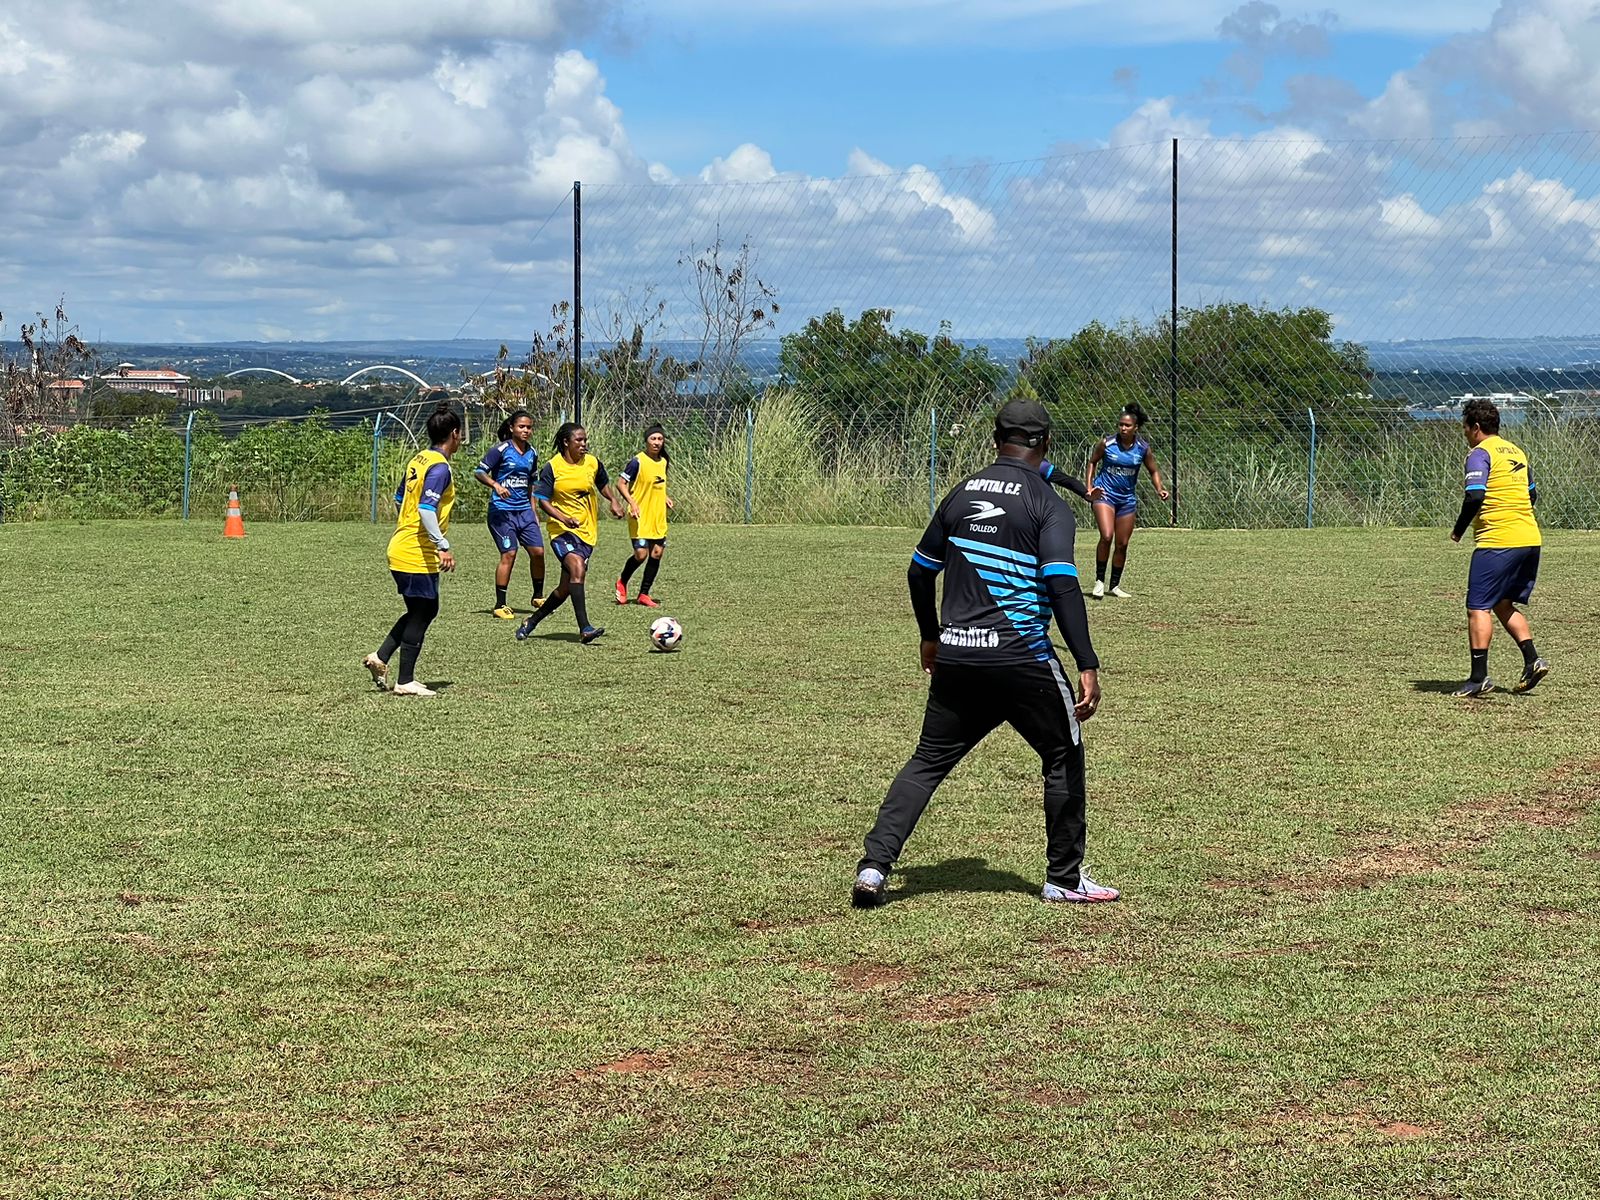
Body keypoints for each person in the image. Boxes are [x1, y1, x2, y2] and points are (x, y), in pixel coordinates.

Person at [852, 397, 1114, 908]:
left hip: (959, 657)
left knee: (927, 762)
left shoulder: (960, 493)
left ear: (996, 440)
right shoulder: (1048, 503)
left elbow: (919, 570)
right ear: (1046, 444)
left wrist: (930, 635)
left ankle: (874, 868)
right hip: (1023, 661)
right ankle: (1063, 877)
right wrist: (1086, 661)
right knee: (1063, 752)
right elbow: (1062, 586)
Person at [1450, 397, 1550, 698]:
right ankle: (1533, 660)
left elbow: (1475, 497)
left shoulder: (1480, 454)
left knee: (1477, 606)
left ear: (1476, 427)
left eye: (1465, 429)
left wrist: (1458, 530)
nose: (1465, 435)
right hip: (1529, 538)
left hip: (1498, 541)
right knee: (1503, 603)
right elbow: (1532, 494)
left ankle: (1478, 677)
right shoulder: (1516, 451)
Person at [363, 402, 462, 698]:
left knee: (421, 609)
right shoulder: (440, 467)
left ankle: (380, 658)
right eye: (460, 435)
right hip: (415, 552)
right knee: (424, 609)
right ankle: (405, 680)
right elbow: (426, 509)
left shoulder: (418, 459)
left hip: (404, 545)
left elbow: (399, 496)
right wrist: (442, 545)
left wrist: (408, 525)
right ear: (454, 434)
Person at [514, 422, 625, 645]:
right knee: (577, 567)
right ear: (566, 442)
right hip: (562, 531)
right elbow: (543, 500)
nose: (584, 444)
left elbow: (602, 483)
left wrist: (613, 500)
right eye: (579, 440)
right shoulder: (552, 467)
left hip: (586, 532)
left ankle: (531, 622)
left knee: (565, 588)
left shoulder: (592, 462)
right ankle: (585, 628)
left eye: (585, 440)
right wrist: (563, 518)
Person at [1084, 401, 1169, 598]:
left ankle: (1114, 586)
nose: (1123, 428)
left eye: (1127, 425)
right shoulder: (1107, 444)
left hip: (1126, 500)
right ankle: (1099, 581)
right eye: (1121, 424)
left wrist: (1160, 489)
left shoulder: (1142, 448)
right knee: (1106, 535)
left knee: (1122, 544)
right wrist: (1089, 487)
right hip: (1104, 495)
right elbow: (1092, 462)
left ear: (1136, 428)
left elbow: (1153, 470)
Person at [474, 410, 546, 619]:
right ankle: (500, 604)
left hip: (524, 511)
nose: (526, 430)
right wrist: (495, 484)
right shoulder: (500, 450)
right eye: (521, 426)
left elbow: (531, 483)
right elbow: (479, 472)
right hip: (501, 511)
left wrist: (533, 510)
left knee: (538, 552)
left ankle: (538, 596)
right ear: (512, 428)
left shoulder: (532, 453)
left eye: (529, 427)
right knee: (509, 554)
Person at [614, 423, 675, 608]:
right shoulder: (637, 461)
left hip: (657, 515)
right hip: (639, 515)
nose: (657, 442)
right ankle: (622, 582)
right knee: (641, 555)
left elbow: (656, 483)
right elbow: (621, 483)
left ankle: (644, 594)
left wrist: (664, 497)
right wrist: (632, 503)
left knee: (656, 553)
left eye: (660, 439)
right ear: (646, 441)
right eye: (653, 439)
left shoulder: (663, 462)